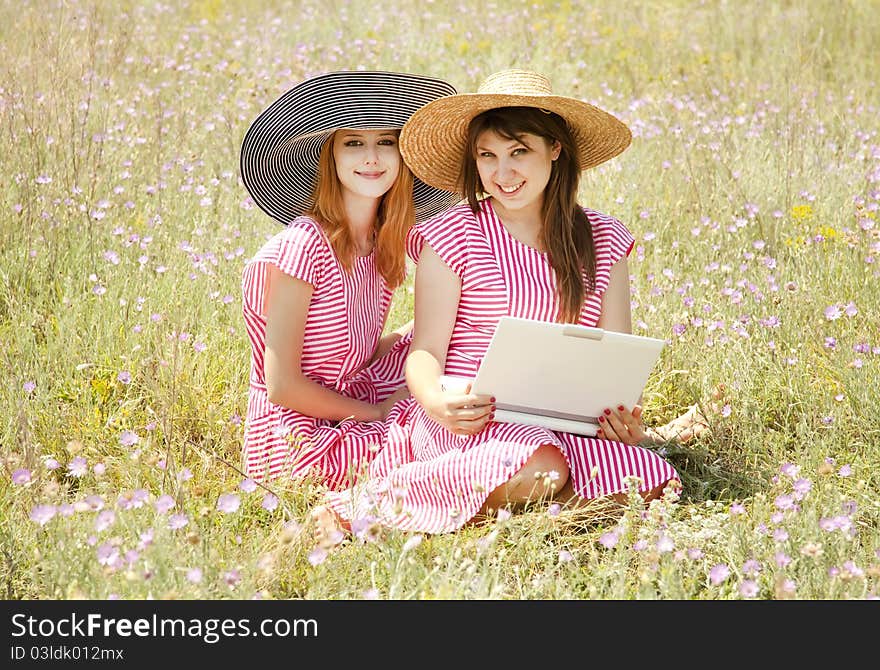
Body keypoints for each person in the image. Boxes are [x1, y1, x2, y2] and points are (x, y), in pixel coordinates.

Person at [313, 69, 705, 540]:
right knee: (543, 467)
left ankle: (504, 507)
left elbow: (618, 353)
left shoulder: (603, 238)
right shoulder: (452, 234)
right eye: (488, 156)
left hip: (565, 421)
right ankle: (368, 507)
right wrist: (436, 402)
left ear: (554, 150)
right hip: (473, 420)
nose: (503, 173)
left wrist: (623, 415)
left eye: (519, 152)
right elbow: (425, 349)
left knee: (650, 478)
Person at [238, 70, 458, 486]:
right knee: (425, 430)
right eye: (354, 143)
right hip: (294, 438)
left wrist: (437, 325)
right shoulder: (304, 246)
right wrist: (378, 412)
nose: (371, 158)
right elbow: (281, 385)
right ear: (332, 157)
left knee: (446, 348)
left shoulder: (380, 244)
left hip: (345, 400)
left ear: (403, 156)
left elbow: (361, 356)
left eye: (385, 143)